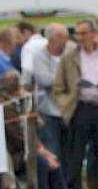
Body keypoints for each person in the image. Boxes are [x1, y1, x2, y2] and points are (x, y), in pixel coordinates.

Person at [0, 71, 72, 189]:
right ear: (16, 88)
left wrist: (44, 150)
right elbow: (18, 138)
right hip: (12, 156)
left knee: (53, 164)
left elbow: (31, 131)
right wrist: (42, 152)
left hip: (25, 149)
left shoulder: (20, 103)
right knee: (41, 162)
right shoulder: (4, 106)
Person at [55, 19, 98, 189]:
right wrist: (66, 103)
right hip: (80, 107)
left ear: (94, 34)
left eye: (83, 33)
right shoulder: (69, 58)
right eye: (77, 34)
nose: (79, 38)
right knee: (76, 153)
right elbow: (58, 87)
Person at [25, 24, 71, 173]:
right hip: (48, 111)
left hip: (69, 110)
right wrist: (67, 81)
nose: (65, 42)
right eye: (62, 39)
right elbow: (44, 80)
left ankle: (67, 188)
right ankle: (54, 187)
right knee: (53, 150)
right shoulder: (39, 55)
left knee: (68, 152)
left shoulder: (70, 51)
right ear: (51, 39)